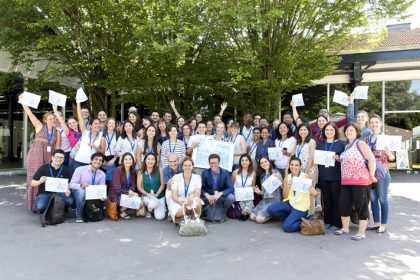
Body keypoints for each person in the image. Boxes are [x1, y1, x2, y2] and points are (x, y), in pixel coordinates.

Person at [335, 123, 377, 241]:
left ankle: (361, 232)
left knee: (361, 205)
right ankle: (345, 228)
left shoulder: (360, 143)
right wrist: (339, 158)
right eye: (347, 130)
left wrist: (372, 174)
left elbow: (371, 159)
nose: (348, 132)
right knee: (344, 204)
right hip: (346, 181)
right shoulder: (347, 146)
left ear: (357, 132)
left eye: (351, 130)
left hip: (361, 181)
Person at [20, 98, 61, 211]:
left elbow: (57, 148)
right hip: (35, 155)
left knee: (47, 178)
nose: (52, 120)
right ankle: (33, 205)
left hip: (49, 156)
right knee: (35, 177)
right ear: (45, 120)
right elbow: (30, 114)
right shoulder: (39, 126)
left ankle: (45, 204)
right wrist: (24, 103)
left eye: (53, 118)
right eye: (50, 119)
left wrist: (57, 160)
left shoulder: (57, 132)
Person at [267, 157, 318, 232]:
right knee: (270, 209)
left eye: (296, 165)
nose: (294, 167)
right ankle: (291, 218)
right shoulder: (287, 177)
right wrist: (288, 186)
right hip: (290, 203)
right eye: (292, 164)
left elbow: (315, 195)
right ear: (289, 165)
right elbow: (285, 196)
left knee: (287, 227)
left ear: (300, 167)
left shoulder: (305, 176)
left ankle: (306, 221)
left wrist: (312, 191)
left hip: (301, 207)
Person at [365, 114, 394, 234]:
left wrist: (388, 152)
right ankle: (376, 223)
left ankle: (383, 224)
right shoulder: (367, 139)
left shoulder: (385, 138)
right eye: (372, 122)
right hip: (370, 173)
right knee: (373, 198)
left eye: (376, 122)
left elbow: (392, 158)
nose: (374, 124)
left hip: (382, 174)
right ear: (369, 124)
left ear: (381, 123)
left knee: (382, 199)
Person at [316, 122, 346, 230]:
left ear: (335, 131)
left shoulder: (341, 144)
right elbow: (317, 159)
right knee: (327, 200)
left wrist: (339, 158)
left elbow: (345, 159)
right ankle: (328, 221)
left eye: (331, 130)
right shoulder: (320, 144)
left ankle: (337, 223)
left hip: (336, 177)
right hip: (324, 176)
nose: (329, 132)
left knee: (336, 200)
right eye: (327, 130)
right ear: (324, 132)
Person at [31, 149, 73, 214]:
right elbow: (32, 183)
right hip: (45, 193)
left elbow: (68, 183)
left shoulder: (66, 170)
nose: (59, 159)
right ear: (52, 157)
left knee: (70, 201)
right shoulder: (43, 168)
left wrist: (68, 189)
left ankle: (59, 207)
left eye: (61, 158)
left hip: (59, 193)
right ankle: (52, 208)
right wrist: (40, 181)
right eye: (57, 157)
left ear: (64, 159)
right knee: (40, 207)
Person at [70, 152, 107, 222]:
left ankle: (91, 214)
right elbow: (71, 184)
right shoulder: (80, 169)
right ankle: (79, 214)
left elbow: (101, 189)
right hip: (79, 193)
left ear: (102, 163)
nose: (98, 161)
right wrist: (81, 185)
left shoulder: (102, 174)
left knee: (104, 198)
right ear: (91, 160)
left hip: (93, 194)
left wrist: (103, 196)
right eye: (96, 159)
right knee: (81, 191)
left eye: (100, 160)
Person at [72, 99, 104, 175]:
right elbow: (80, 117)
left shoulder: (101, 137)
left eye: (99, 123)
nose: (97, 125)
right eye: (95, 123)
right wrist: (78, 103)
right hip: (78, 162)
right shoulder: (85, 132)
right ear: (91, 126)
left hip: (91, 164)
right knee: (76, 184)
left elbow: (103, 152)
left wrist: (96, 147)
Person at [168, 157, 202, 223]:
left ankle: (192, 217)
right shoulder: (176, 177)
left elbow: (198, 192)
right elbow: (174, 196)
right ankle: (181, 217)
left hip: (191, 200)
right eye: (185, 165)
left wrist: (192, 196)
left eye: (189, 165)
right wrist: (182, 203)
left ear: (192, 166)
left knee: (198, 200)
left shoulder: (197, 177)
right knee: (180, 211)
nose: (187, 167)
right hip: (178, 201)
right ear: (182, 167)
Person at [201, 154, 235, 218]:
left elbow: (231, 188)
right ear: (209, 163)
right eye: (211, 163)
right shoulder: (205, 173)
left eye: (215, 163)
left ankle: (223, 212)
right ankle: (207, 212)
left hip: (220, 197)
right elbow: (200, 188)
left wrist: (220, 193)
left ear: (219, 163)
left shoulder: (225, 173)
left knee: (231, 197)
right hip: (209, 197)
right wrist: (206, 194)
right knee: (198, 198)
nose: (213, 165)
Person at [250, 156, 282, 224]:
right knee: (252, 217)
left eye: (265, 161)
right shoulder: (263, 175)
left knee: (258, 220)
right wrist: (259, 192)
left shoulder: (276, 172)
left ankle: (272, 215)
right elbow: (263, 192)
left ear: (269, 162)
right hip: (266, 200)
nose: (264, 164)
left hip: (274, 199)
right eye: (262, 163)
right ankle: (266, 214)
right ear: (260, 165)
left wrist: (280, 179)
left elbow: (283, 187)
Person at [108, 153, 138, 220]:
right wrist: (128, 193)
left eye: (130, 159)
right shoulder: (117, 170)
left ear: (133, 161)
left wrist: (131, 190)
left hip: (125, 193)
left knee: (138, 199)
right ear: (122, 161)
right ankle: (120, 212)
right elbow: (116, 188)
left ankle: (121, 210)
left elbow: (133, 185)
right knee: (133, 197)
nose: (128, 161)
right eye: (126, 159)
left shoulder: (132, 171)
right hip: (115, 195)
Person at [137, 153, 166, 220]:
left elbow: (162, 185)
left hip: (159, 195)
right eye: (148, 159)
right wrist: (147, 194)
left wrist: (157, 194)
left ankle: (153, 207)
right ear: (145, 160)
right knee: (154, 203)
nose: (150, 161)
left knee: (160, 217)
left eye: (152, 159)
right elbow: (139, 187)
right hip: (147, 196)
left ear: (155, 161)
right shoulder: (141, 171)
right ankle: (149, 210)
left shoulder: (160, 170)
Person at [231, 154, 257, 220]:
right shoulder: (235, 172)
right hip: (237, 195)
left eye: (246, 160)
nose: (244, 162)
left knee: (249, 212)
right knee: (240, 211)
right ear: (240, 162)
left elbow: (253, 186)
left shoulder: (253, 173)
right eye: (242, 160)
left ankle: (245, 211)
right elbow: (232, 185)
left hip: (248, 196)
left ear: (249, 162)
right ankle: (241, 210)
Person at [101, 118, 118, 185]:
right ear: (107, 124)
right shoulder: (102, 134)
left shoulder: (117, 135)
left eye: (113, 123)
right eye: (109, 123)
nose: (111, 124)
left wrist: (113, 159)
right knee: (103, 180)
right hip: (103, 158)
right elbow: (99, 147)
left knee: (110, 180)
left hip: (113, 158)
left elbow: (119, 149)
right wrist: (102, 159)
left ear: (115, 125)